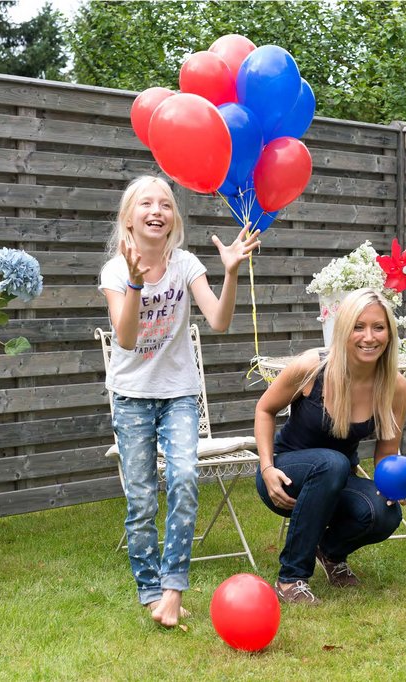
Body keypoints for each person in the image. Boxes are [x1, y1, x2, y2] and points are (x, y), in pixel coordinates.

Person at [99, 175, 259, 627]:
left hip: (180, 394)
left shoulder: (186, 264)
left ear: (174, 219)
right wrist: (134, 283)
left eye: (165, 204)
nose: (156, 211)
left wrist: (229, 273)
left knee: (186, 478)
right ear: (128, 219)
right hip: (131, 397)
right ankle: (150, 590)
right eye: (146, 204)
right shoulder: (115, 271)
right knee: (143, 500)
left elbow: (219, 320)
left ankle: (173, 589)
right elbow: (126, 339)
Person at [255, 287, 406, 605]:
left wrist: (393, 486)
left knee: (385, 513)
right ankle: (290, 579)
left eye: (378, 327)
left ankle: (329, 552)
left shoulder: (395, 386)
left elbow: (386, 451)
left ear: (389, 334)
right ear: (344, 330)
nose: (369, 337)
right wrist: (267, 468)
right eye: (359, 326)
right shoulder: (312, 368)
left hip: (335, 478)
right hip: (287, 474)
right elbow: (264, 409)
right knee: (333, 463)